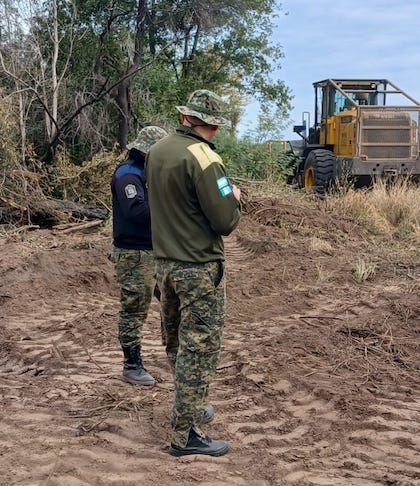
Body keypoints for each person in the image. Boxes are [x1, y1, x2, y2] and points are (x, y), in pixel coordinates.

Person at [146, 90, 242, 457]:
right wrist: (234, 198)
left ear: (185, 116)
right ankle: (185, 435)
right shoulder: (204, 157)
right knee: (198, 349)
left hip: (164, 265)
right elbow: (224, 221)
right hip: (198, 268)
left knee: (176, 341)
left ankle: (191, 407)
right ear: (212, 123)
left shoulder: (157, 151)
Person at [110, 125, 168, 386]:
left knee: (171, 303)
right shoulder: (128, 176)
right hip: (134, 253)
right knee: (135, 309)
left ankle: (176, 355)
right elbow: (138, 213)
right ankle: (131, 365)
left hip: (155, 251)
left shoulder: (146, 172)